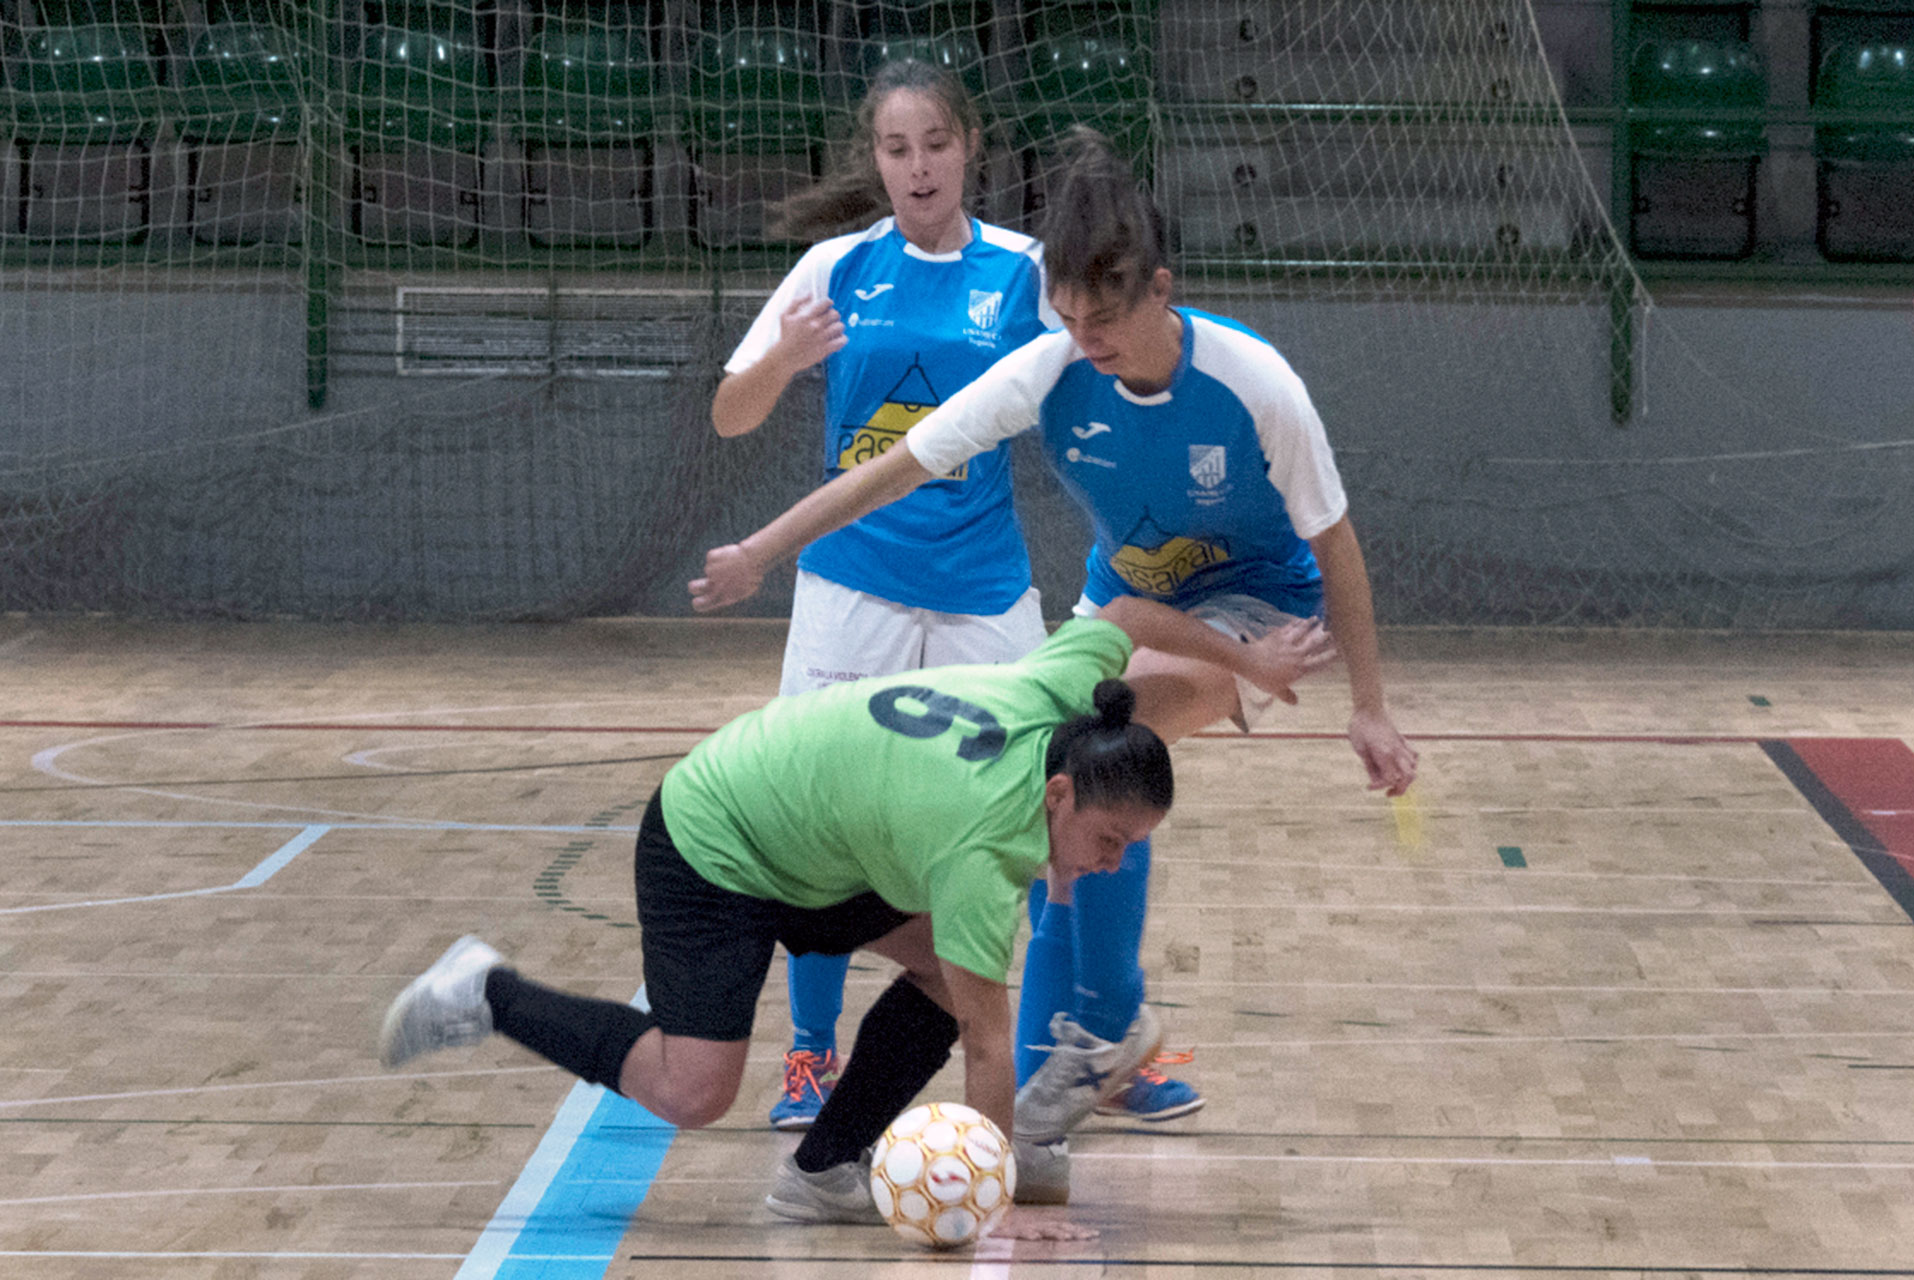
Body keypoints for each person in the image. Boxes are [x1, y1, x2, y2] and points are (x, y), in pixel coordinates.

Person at [689, 128, 1419, 1198]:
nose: (1087, 340)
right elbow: (891, 470)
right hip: (1121, 602)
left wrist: (1369, 705)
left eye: (1105, 318)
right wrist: (762, 549)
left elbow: (1337, 541)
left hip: (1258, 610)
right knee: (1049, 788)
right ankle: (1051, 1090)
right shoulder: (1053, 367)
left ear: (1160, 290)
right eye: (1068, 318)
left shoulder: (1253, 380)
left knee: (1119, 735)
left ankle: (1103, 1024)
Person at [377, 595, 1327, 1238]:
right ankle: (487, 993)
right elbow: (989, 1051)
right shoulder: (982, 848)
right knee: (692, 1092)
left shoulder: (1060, 700)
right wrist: (988, 1209)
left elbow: (1120, 615)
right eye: (1110, 840)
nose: (1114, 862)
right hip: (717, 834)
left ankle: (822, 1171)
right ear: (1060, 795)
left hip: (816, 843)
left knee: (939, 976)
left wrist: (1244, 660)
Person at [709, 59, 1108, 1131]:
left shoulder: (1026, 272)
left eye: (935, 143)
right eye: (897, 149)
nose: (918, 165)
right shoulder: (834, 267)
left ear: (969, 146)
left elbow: (1099, 368)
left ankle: (1073, 1040)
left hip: (983, 587)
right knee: (815, 822)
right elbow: (731, 413)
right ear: (875, 161)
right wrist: (782, 359)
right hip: (851, 586)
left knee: (1042, 810)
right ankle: (810, 1054)